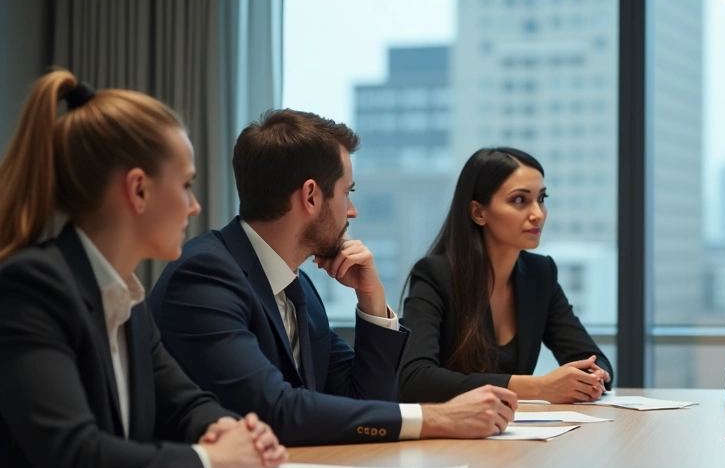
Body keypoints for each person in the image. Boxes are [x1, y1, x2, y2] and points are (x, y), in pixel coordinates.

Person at [0, 70, 286, 468]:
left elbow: (186, 404)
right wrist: (216, 461)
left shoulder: (127, 298)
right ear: (138, 189)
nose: (194, 206)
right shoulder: (33, 287)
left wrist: (229, 429)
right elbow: (78, 457)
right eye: (187, 184)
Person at [149, 109, 516, 446]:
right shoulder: (205, 276)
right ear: (310, 196)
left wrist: (372, 300)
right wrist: (434, 417)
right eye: (347, 193)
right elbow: (273, 410)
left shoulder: (299, 287)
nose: (352, 211)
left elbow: (364, 401)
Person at [398, 147, 612, 404]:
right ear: (478, 212)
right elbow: (415, 379)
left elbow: (591, 357)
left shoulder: (540, 274)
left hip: (513, 433)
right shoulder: (436, 275)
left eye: (541, 199)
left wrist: (594, 374)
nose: (538, 214)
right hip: (449, 436)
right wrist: (539, 387)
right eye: (520, 200)